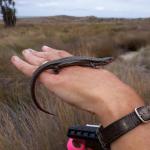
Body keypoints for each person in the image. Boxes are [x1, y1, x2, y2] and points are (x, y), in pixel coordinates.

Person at [11, 46, 150, 150]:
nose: (108, 62)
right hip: (57, 64)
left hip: (60, 63)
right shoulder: (93, 64)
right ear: (101, 63)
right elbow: (88, 64)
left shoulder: (94, 63)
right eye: (107, 61)